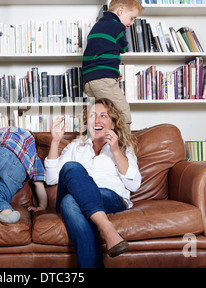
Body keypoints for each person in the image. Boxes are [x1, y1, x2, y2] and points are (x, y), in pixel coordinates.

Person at [45, 98, 142, 268]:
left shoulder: (123, 148)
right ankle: (108, 229)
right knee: (71, 167)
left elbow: (134, 185)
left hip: (109, 197)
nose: (96, 120)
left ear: (113, 124)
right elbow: (51, 178)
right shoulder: (75, 147)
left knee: (70, 202)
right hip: (81, 194)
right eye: (92, 116)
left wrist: (115, 150)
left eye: (103, 116)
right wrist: (55, 141)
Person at [82, 0, 143, 129]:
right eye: (131, 18)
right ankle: (125, 148)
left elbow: (99, 54)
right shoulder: (118, 26)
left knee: (102, 116)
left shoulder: (97, 25)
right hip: (104, 79)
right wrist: (108, 75)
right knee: (123, 112)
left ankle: (100, 145)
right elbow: (123, 47)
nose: (131, 23)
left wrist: (113, 73)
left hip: (89, 81)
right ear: (120, 11)